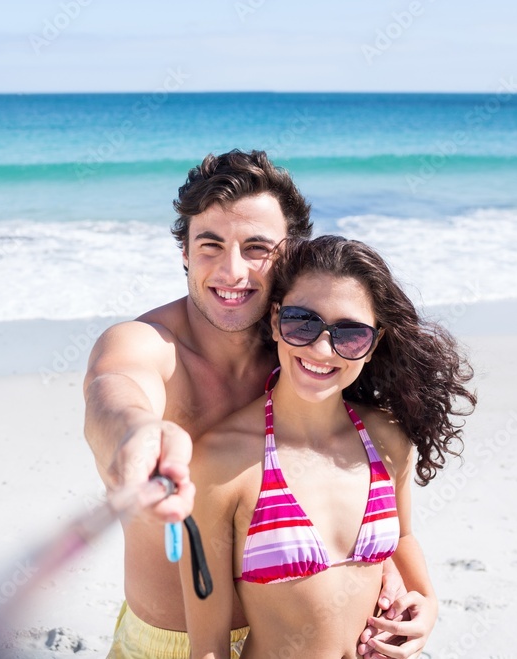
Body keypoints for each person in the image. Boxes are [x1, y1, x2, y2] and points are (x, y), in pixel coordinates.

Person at [84, 151, 418, 658]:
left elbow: (352, 483)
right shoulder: (147, 345)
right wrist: (136, 436)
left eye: (256, 247)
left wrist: (386, 570)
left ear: (289, 255)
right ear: (184, 252)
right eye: (210, 245)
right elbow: (112, 392)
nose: (232, 271)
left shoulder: (307, 345)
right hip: (174, 644)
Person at [180, 235, 476, 658]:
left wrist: (427, 603)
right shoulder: (220, 460)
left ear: (373, 343)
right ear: (276, 320)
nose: (322, 349)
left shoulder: (388, 438)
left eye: (350, 335)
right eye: (303, 322)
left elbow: (404, 537)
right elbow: (208, 647)